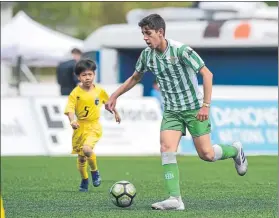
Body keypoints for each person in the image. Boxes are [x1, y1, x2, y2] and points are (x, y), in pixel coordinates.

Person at [105, 14, 248, 210]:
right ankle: (175, 199)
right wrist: (114, 96)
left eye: (148, 34)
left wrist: (205, 105)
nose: (145, 38)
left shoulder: (182, 51)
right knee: (166, 149)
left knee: (206, 154)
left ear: (160, 32)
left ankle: (235, 150)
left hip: (194, 108)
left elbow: (207, 74)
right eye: (143, 34)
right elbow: (135, 77)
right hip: (172, 111)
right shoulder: (147, 55)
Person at [64, 58, 121, 192]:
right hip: (80, 127)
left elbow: (108, 103)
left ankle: (95, 172)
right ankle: (84, 180)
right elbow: (70, 109)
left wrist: (116, 112)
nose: (87, 77)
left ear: (94, 75)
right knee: (81, 158)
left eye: (90, 74)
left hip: (94, 126)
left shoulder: (99, 91)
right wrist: (72, 121)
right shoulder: (75, 93)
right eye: (84, 75)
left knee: (87, 149)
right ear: (78, 77)